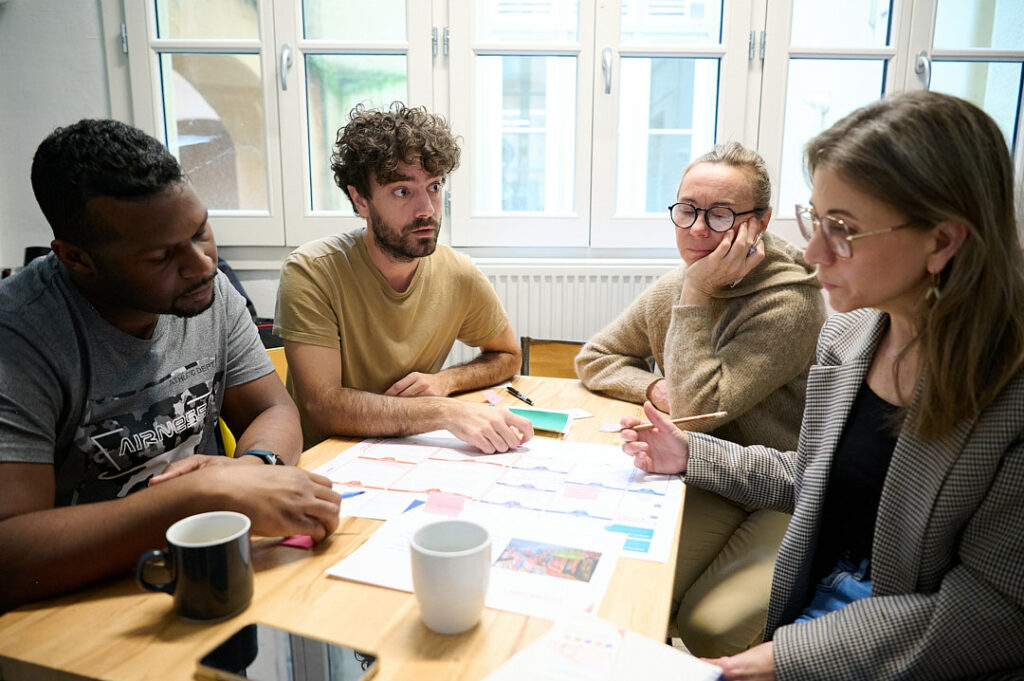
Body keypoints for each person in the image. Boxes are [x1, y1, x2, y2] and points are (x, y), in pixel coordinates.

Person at [622, 91, 1024, 680]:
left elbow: (994, 613)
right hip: (825, 607)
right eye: (815, 219)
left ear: (942, 241)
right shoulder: (854, 339)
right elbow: (815, 479)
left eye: (843, 229)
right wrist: (691, 452)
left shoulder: (1008, 396)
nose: (812, 253)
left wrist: (785, 658)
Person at [0, 120, 342, 612]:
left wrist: (252, 470)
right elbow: (12, 556)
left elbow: (273, 409)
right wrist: (200, 495)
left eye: (201, 229)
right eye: (162, 255)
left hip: (199, 578)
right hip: (76, 608)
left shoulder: (208, 292)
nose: (203, 264)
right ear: (78, 258)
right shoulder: (21, 336)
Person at [576, 142, 826, 655]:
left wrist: (695, 295)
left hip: (776, 484)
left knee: (710, 625)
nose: (697, 228)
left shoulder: (789, 301)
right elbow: (595, 357)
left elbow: (692, 413)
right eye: (687, 209)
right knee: (625, 582)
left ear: (758, 222)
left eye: (719, 214)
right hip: (704, 471)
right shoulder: (684, 281)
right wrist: (649, 386)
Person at [274, 103, 533, 454]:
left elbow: (507, 356)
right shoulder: (312, 272)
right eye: (402, 191)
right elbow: (324, 407)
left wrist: (446, 381)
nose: (426, 209)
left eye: (435, 187)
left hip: (412, 451)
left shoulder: (458, 273)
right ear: (360, 199)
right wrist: (443, 411)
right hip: (327, 461)